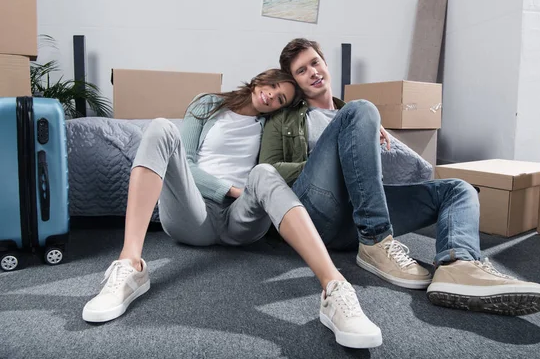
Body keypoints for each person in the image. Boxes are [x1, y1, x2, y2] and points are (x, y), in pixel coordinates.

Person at [82, 69, 382, 349]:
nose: (272, 96)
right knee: (161, 128)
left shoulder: (272, 125)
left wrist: (367, 126)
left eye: (281, 99)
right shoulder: (207, 104)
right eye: (274, 86)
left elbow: (321, 122)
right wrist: (230, 190)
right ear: (261, 79)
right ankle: (130, 266)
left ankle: (335, 288)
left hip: (242, 220)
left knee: (265, 172)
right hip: (194, 214)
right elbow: (186, 162)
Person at [259, 39, 540, 316]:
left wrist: (364, 132)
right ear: (294, 81)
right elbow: (269, 170)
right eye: (301, 70)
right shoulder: (286, 118)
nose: (312, 72)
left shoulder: (353, 114)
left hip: (355, 220)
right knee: (363, 106)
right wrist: (342, 145)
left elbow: (400, 170)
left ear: (324, 63)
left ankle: (459, 265)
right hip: (317, 214)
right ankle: (377, 242)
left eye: (315, 63)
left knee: (459, 189)